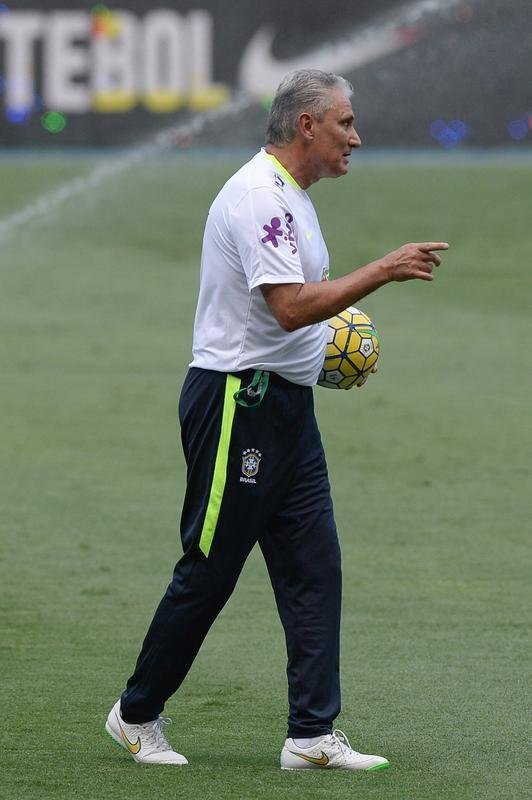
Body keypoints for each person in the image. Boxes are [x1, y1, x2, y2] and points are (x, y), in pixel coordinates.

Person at [105, 69, 448, 771]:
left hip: (287, 405)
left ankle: (311, 734)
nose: (356, 137)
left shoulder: (292, 196)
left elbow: (295, 314)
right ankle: (135, 714)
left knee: (315, 566)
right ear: (306, 126)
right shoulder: (260, 196)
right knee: (211, 569)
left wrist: (323, 352)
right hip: (239, 402)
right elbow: (289, 308)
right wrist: (382, 269)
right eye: (345, 122)